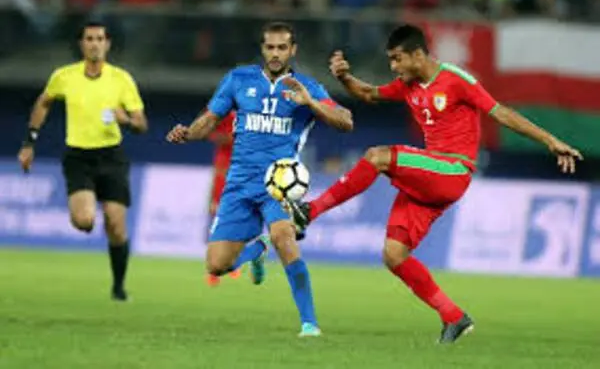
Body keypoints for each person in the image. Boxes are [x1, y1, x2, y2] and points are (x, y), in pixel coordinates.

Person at [286, 24, 582, 343]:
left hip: (453, 170)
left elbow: (503, 114)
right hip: (430, 178)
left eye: (398, 59)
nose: (394, 67)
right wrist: (344, 78)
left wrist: (551, 141)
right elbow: (369, 94)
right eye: (391, 60)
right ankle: (453, 316)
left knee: (377, 156)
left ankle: (310, 212)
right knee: (394, 255)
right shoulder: (408, 84)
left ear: (418, 54)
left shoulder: (457, 80)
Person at [166, 21, 353, 337]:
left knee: (285, 238)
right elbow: (210, 119)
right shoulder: (238, 80)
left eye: (283, 47)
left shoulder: (305, 86)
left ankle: (309, 324)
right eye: (270, 47)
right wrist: (188, 133)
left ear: (292, 50)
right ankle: (257, 250)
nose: (276, 53)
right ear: (263, 48)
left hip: (278, 183)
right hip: (238, 184)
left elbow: (346, 121)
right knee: (216, 265)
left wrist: (310, 103)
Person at [17, 22, 149, 302]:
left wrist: (126, 120)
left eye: (100, 38)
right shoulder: (64, 76)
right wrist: (30, 142)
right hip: (78, 156)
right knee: (84, 221)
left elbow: (141, 124)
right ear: (81, 44)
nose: (94, 44)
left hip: (111, 155)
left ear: (108, 44)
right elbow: (44, 102)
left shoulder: (121, 79)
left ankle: (118, 286)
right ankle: (86, 211)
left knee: (116, 225)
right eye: (89, 38)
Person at [205, 111, 242, 286]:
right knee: (217, 225)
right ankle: (214, 271)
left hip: (240, 170)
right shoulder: (222, 112)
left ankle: (233, 263)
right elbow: (208, 128)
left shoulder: (244, 115)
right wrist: (212, 198)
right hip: (224, 170)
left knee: (236, 225)